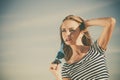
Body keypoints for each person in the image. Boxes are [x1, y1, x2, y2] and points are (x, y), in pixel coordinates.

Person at [49, 15, 116, 80]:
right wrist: (57, 76)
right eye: (63, 30)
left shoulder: (96, 49)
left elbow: (110, 22)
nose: (67, 34)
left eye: (71, 30)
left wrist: (85, 23)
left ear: (82, 32)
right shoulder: (67, 68)